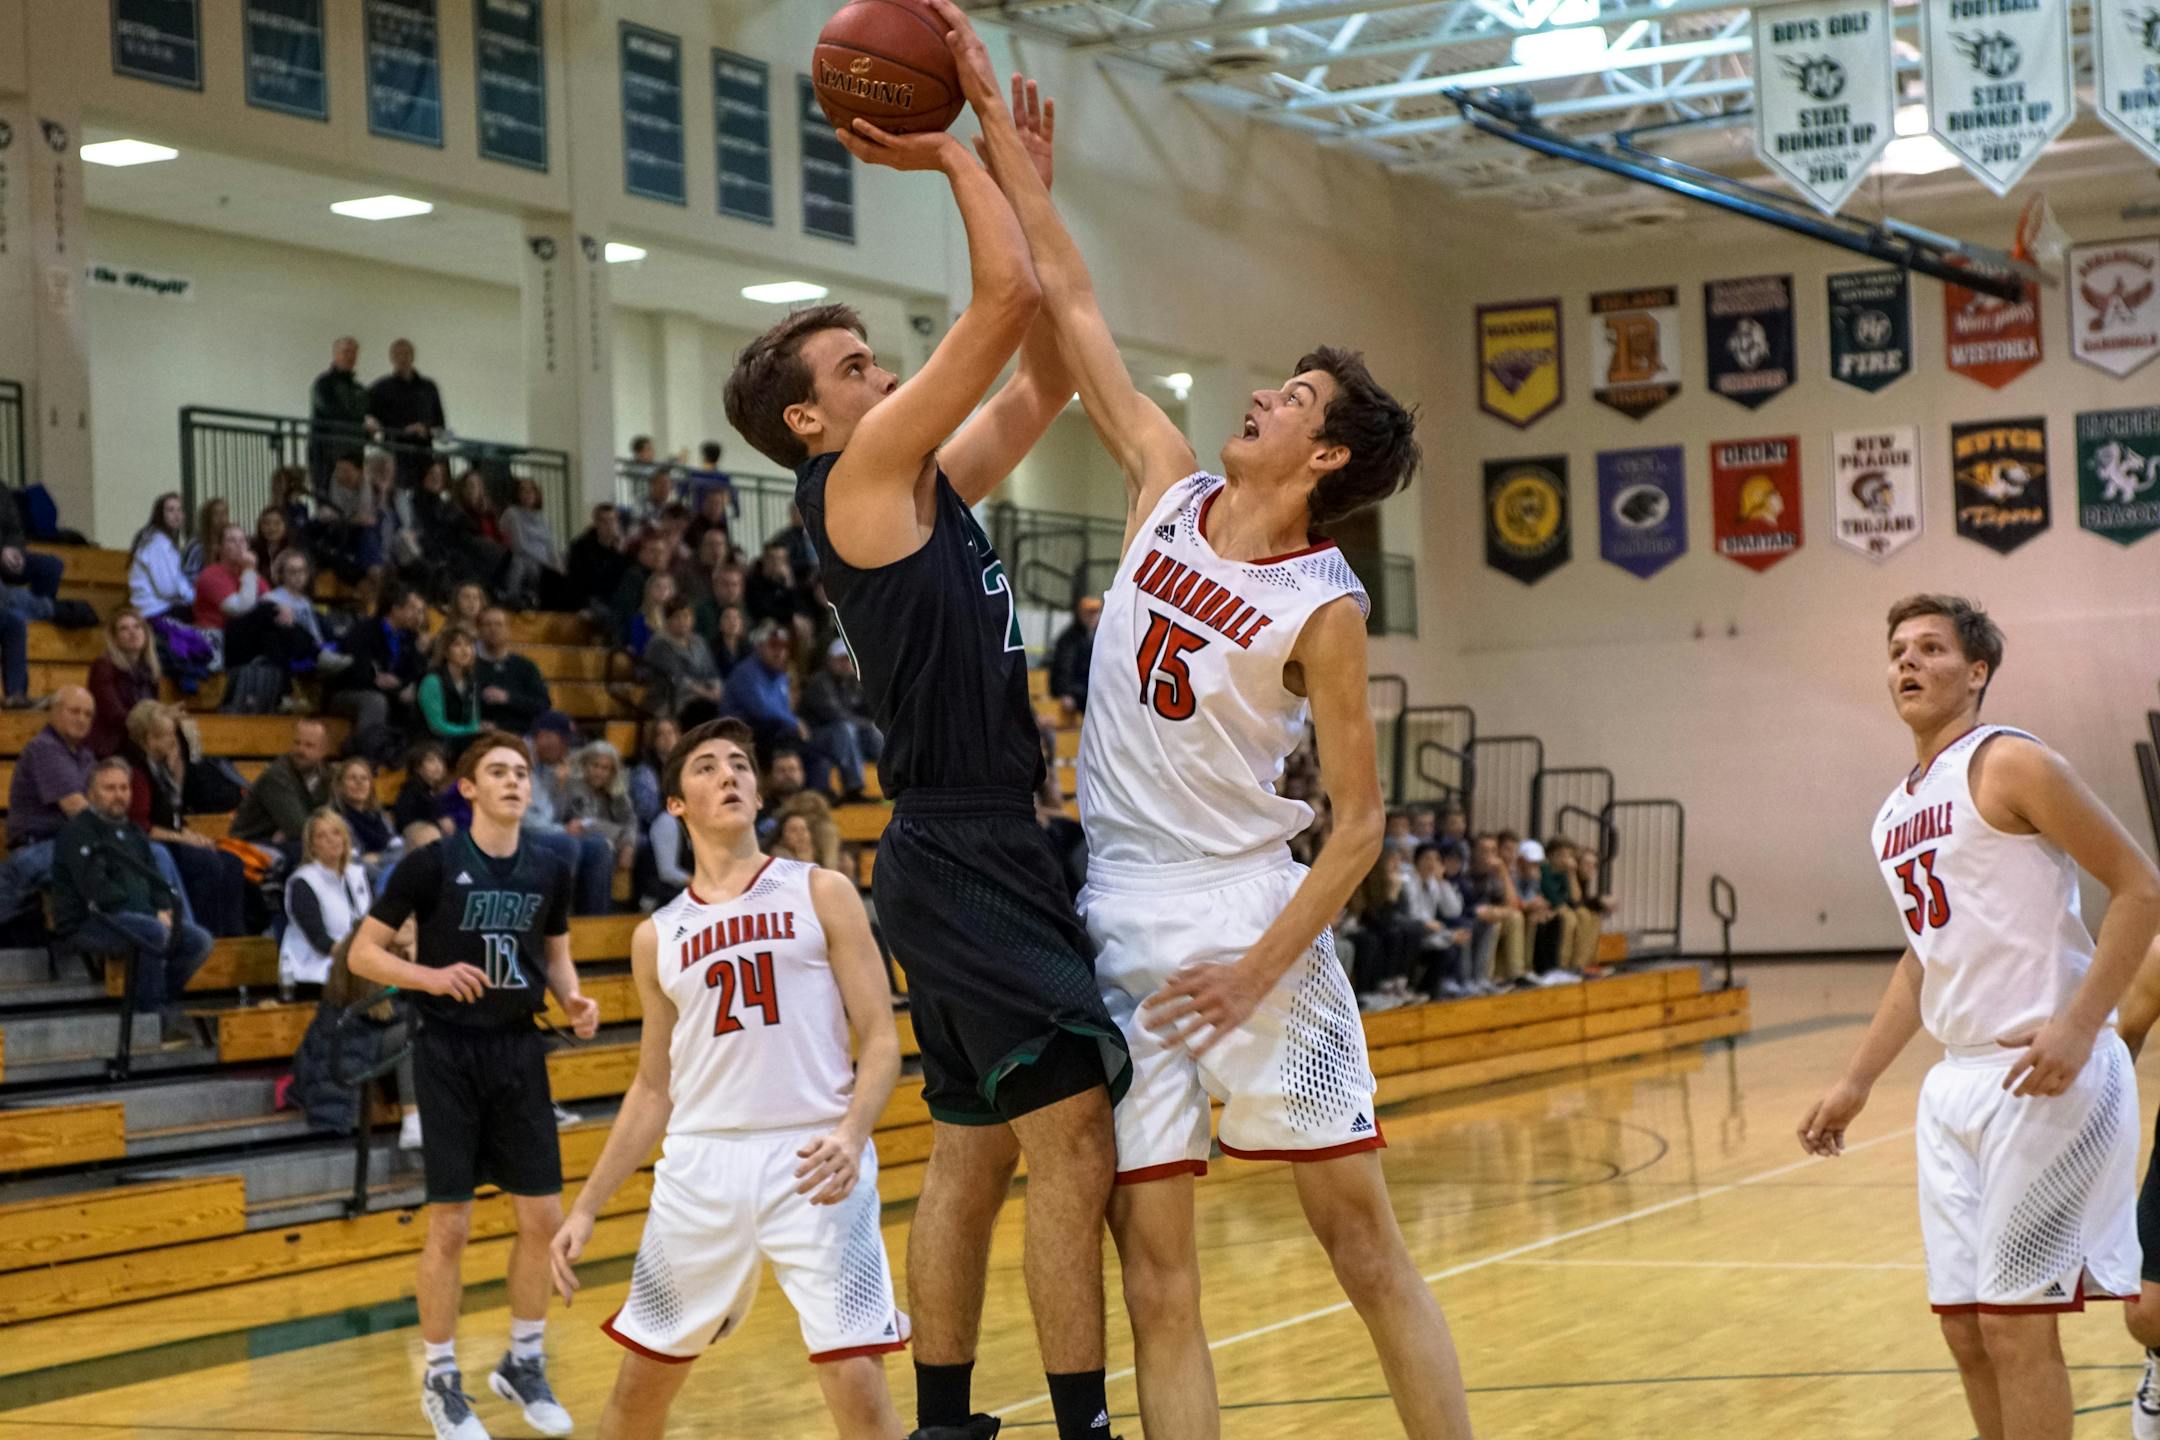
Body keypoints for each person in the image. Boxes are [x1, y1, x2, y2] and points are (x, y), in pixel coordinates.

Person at [967, 31, 1473, 1432]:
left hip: (1257, 921)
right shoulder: (1165, 485)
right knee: (1160, 1283)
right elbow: (1068, 295)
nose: (1262, 396)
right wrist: (1010, 171)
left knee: (1361, 1247)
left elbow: (1360, 825)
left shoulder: (1326, 600)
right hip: (1124, 916)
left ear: (1325, 459)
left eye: (1294, 399)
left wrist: (1258, 972)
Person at [725, 36, 1130, 1438]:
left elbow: (1048, 378)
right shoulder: (858, 482)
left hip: (966, 844)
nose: (877, 367)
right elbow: (1008, 294)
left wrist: (1024, 185)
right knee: (1070, 1138)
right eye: (852, 364)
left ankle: (944, 1421)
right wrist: (963, 155)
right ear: (808, 418)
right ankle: (1081, 1423)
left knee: (971, 1158)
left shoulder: (920, 478)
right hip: (966, 848)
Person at [1799, 594, 2160, 1440]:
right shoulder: (1894, 812)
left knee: (2013, 1325)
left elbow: (2140, 886)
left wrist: (2080, 1025)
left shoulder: (2009, 762)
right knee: (1964, 1329)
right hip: (1956, 1082)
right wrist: (1857, 1080)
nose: (1908, 663)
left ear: (1978, 671)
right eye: (1897, 650)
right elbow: (1925, 954)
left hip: (2048, 1072)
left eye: (1930, 648)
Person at [549, 717, 906, 1440]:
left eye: (740, 764)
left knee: (857, 1386)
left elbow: (882, 1040)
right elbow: (654, 1088)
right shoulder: (658, 935)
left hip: (814, 1157)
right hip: (700, 1167)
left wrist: (852, 1131)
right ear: (675, 804)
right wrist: (586, 1207)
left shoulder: (822, 890)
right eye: (707, 767)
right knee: (637, 1395)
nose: (731, 775)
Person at [349, 732, 599, 1440]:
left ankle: (522, 1362)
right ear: (469, 788)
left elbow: (555, 954)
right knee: (451, 1225)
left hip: (520, 1050)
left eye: (522, 772)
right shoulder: (430, 864)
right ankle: (439, 1376)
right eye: (499, 772)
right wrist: (430, 976)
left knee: (542, 1222)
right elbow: (365, 953)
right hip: (448, 1052)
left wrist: (572, 1000)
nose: (515, 781)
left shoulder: (551, 867)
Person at [53, 759, 213, 1043]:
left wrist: (164, 907)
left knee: (198, 940)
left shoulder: (134, 832)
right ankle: (152, 1017)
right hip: (88, 921)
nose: (119, 794)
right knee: (152, 932)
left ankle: (157, 1000)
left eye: (124, 788)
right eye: (110, 788)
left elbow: (155, 879)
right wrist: (153, 913)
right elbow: (98, 892)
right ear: (91, 793)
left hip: (137, 917)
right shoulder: (77, 832)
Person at [124, 700, 248, 939]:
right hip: (149, 844)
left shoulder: (163, 767)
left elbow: (177, 812)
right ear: (147, 738)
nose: (172, 741)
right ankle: (205, 936)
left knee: (232, 862)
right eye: (165, 736)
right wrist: (182, 838)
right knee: (206, 864)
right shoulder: (136, 770)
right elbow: (141, 826)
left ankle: (233, 939)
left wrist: (189, 835)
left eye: (173, 734)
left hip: (171, 837)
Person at [0, 686, 99, 924]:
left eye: (88, 714)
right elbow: (77, 809)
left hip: (68, 844)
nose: (81, 718)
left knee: (151, 855)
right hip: (40, 845)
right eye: (74, 711)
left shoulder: (86, 756)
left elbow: (99, 808)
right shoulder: (45, 747)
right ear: (53, 712)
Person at [525, 711, 617, 917]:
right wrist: (562, 829)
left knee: (599, 846)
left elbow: (552, 814)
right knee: (567, 844)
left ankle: (595, 926)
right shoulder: (519, 759)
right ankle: (557, 923)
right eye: (564, 742)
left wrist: (560, 785)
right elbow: (526, 818)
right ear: (544, 737)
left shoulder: (550, 765)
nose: (568, 749)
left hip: (544, 829)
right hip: (516, 832)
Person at [281, 809, 372, 1000]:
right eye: (322, 836)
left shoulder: (358, 874)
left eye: (336, 832)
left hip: (355, 964)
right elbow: (320, 941)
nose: (331, 840)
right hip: (314, 970)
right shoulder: (303, 882)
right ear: (312, 847)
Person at [330, 583, 428, 738]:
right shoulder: (364, 630)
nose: (418, 616)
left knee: (421, 698)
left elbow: (414, 674)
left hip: (391, 692)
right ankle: (368, 753)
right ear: (395, 609)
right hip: (351, 691)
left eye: (421, 611)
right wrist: (377, 680)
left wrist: (420, 654)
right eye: (413, 609)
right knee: (375, 701)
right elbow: (354, 670)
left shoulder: (411, 638)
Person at [231, 717, 333, 860]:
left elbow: (334, 819)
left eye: (309, 745)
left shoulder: (328, 776)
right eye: (297, 743)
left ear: (324, 751)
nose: (300, 750)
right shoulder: (277, 775)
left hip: (290, 841)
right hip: (251, 844)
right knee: (313, 850)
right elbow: (297, 827)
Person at [801, 639, 882, 802]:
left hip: (845, 737)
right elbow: (835, 715)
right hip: (814, 737)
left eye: (849, 659)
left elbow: (873, 711)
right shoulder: (820, 682)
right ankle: (853, 787)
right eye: (841, 659)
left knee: (874, 730)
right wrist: (866, 723)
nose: (846, 664)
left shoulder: (853, 682)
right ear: (830, 660)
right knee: (845, 729)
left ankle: (895, 780)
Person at [368, 338, 447, 488]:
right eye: (398, 355)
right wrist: (403, 430)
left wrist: (426, 430)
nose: (403, 358)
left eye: (406, 354)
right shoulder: (381, 388)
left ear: (413, 356)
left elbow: (440, 425)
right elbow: (368, 417)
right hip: (394, 455)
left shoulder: (428, 388)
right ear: (391, 358)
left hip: (424, 454)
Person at [87, 610, 161, 757]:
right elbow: (114, 714)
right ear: (114, 639)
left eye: (137, 627)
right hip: (112, 746)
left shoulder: (149, 669)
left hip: (138, 742)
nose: (132, 633)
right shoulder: (104, 666)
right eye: (124, 629)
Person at [563, 739, 638, 886]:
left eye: (605, 768)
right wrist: (618, 833)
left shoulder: (617, 790)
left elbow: (630, 821)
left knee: (642, 844)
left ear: (612, 772)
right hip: (578, 840)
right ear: (584, 765)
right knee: (600, 847)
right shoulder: (573, 787)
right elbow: (583, 823)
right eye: (595, 766)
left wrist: (628, 846)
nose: (599, 772)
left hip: (611, 841)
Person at [310, 335, 378, 489]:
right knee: (330, 504)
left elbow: (368, 415)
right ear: (335, 354)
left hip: (354, 456)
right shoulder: (323, 384)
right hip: (327, 457)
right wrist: (363, 424)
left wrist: (370, 430)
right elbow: (332, 412)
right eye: (345, 351)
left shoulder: (359, 390)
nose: (350, 356)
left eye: (353, 352)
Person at [641, 598, 723, 718]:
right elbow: (677, 678)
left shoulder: (699, 641)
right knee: (706, 709)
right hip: (669, 698)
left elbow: (711, 671)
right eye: (677, 617)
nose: (683, 621)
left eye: (686, 616)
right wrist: (706, 694)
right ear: (668, 620)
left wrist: (716, 689)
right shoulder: (659, 644)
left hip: (703, 697)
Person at [476, 607, 552, 734]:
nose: (493, 629)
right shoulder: (471, 667)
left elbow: (542, 705)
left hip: (519, 734)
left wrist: (508, 698)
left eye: (499, 624)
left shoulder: (525, 667)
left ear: (508, 630)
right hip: (480, 734)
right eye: (487, 624)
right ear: (479, 631)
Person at [127, 493, 195, 622]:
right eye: (170, 510)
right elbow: (167, 589)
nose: (176, 515)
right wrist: (190, 596)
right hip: (154, 610)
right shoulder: (156, 543)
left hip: (162, 607)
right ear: (160, 514)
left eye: (179, 510)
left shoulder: (163, 541)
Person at [332, 755, 399, 887]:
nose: (359, 783)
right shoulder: (334, 820)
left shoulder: (381, 818)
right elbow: (350, 862)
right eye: (352, 778)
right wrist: (386, 874)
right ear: (340, 785)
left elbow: (400, 851)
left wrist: (379, 858)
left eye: (364, 778)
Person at [499, 477, 563, 610]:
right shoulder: (512, 513)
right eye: (523, 490)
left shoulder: (540, 517)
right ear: (517, 494)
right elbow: (520, 545)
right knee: (521, 563)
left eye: (531, 491)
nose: (527, 494)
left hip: (545, 562)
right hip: (525, 559)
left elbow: (550, 543)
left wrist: (557, 563)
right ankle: (513, 600)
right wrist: (546, 563)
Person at [417, 626, 484, 746]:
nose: (465, 650)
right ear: (445, 651)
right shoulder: (432, 681)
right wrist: (470, 732)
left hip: (461, 742)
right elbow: (437, 726)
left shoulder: (472, 681)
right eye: (457, 645)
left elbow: (474, 721)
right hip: (432, 744)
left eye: (469, 645)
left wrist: (475, 731)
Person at [566, 505, 630, 614]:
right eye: (604, 521)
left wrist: (620, 553)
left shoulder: (625, 547)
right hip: (592, 597)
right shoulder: (581, 547)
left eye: (612, 520)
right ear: (596, 523)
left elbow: (625, 579)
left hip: (617, 598)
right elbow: (578, 581)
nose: (609, 525)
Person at [1047, 595, 1099, 721]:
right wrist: (1066, 693)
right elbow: (1063, 668)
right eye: (1089, 613)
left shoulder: (1095, 636)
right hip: (1073, 689)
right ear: (1080, 614)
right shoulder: (1069, 638)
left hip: (1085, 687)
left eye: (1095, 613)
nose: (1093, 617)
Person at [394, 741, 455, 836]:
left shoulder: (434, 791)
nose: (438, 765)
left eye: (440, 760)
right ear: (417, 767)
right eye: (431, 761)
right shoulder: (411, 794)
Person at [183, 498, 229, 582]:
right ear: (208, 518)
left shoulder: (228, 540)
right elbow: (189, 576)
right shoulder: (196, 544)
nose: (222, 519)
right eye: (216, 514)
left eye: (224, 513)